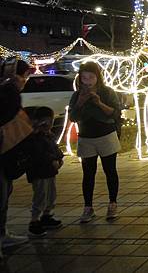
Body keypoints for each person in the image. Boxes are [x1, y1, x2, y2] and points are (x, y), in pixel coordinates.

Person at [68, 62, 121, 223]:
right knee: (88, 173)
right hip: (86, 136)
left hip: (106, 135)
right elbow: (73, 117)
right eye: (84, 78)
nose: (88, 81)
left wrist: (99, 103)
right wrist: (80, 102)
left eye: (91, 77)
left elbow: (115, 113)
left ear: (97, 78)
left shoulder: (107, 92)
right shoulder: (77, 95)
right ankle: (88, 207)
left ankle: (112, 203)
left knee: (110, 170)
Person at [0, 58, 35, 258]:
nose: (25, 80)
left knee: (4, 193)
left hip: (6, 150)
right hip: (4, 150)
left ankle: (3, 234)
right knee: (2, 195)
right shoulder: (9, 91)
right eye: (25, 76)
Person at [25, 106, 64, 238]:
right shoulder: (34, 137)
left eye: (51, 121)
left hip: (50, 171)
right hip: (39, 171)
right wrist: (52, 159)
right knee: (40, 195)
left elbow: (55, 148)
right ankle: (34, 221)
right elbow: (38, 153)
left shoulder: (48, 135)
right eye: (45, 121)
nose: (49, 124)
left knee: (51, 194)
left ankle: (47, 215)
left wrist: (59, 157)